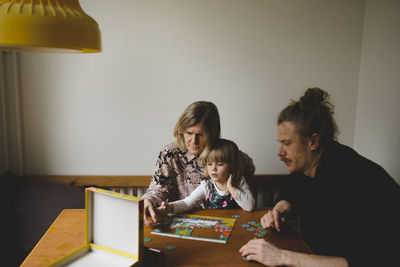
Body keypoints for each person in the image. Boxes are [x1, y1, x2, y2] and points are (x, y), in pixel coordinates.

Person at [239, 88, 400, 267]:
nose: (280, 152)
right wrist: (279, 209)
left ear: (313, 142)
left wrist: (281, 257)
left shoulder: (348, 177)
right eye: (280, 143)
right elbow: (292, 191)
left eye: (287, 143)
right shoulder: (310, 165)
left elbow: (365, 260)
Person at [142, 101, 255, 225]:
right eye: (189, 133)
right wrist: (148, 201)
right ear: (181, 131)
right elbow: (157, 189)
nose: (194, 141)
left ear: (212, 134)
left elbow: (249, 169)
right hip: (181, 222)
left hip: (223, 223)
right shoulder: (170, 153)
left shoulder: (225, 153)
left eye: (200, 135)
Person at [156, 139, 255, 218]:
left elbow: (249, 206)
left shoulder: (239, 182)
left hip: (236, 227)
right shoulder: (207, 186)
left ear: (232, 166)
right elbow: (187, 203)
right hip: (214, 227)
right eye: (209, 164)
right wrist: (170, 207)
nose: (213, 168)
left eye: (220, 164)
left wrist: (232, 188)